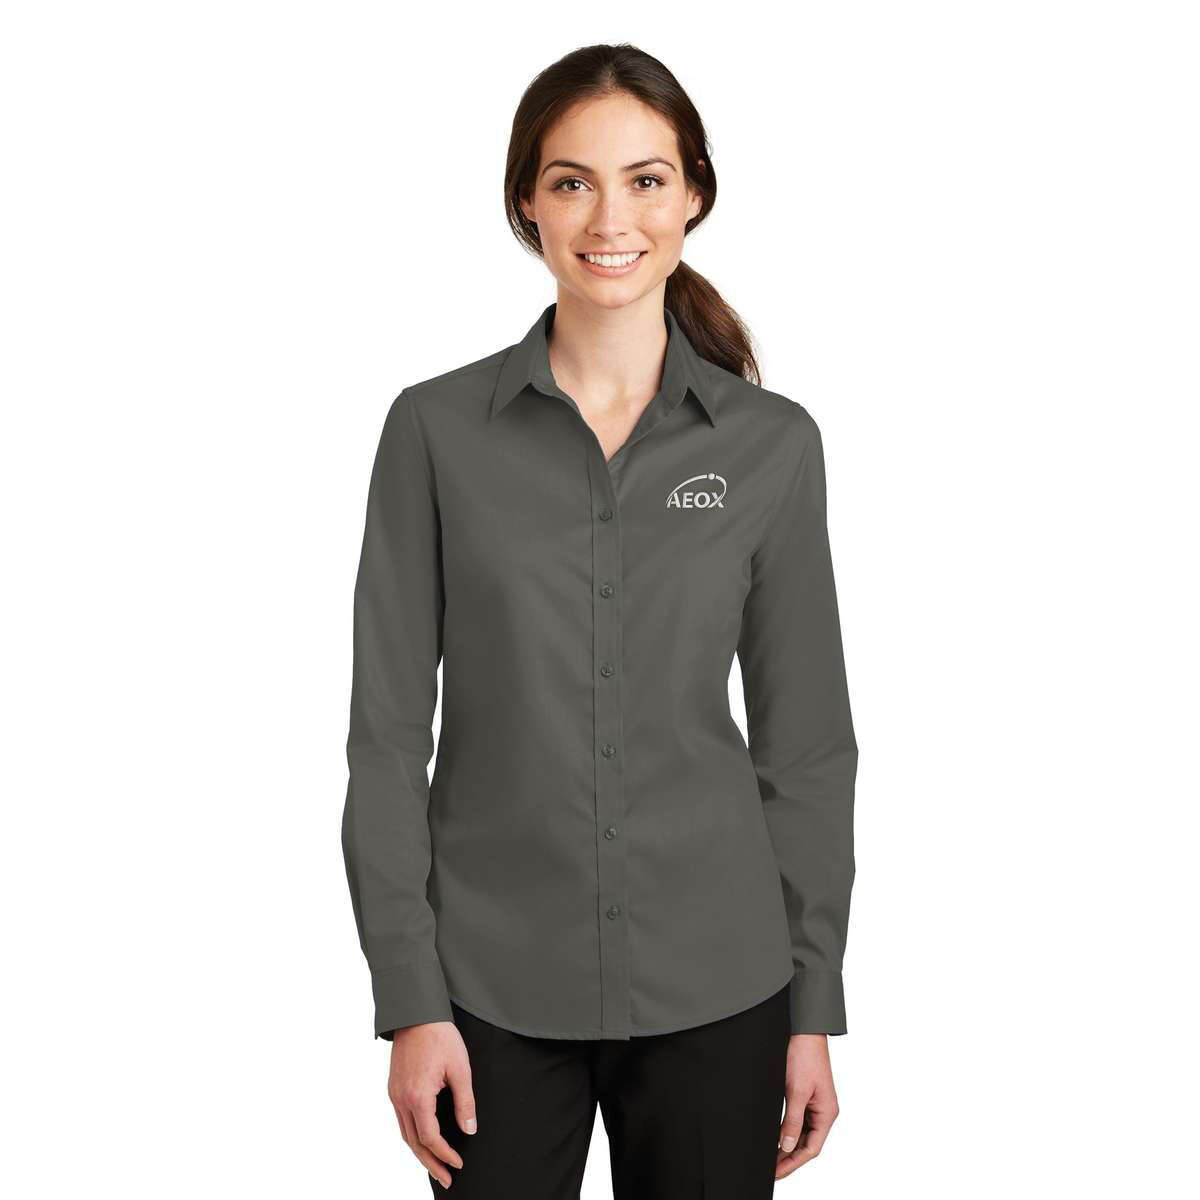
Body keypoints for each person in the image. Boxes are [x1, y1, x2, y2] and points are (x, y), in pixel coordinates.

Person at [341, 42, 858, 1198]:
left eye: (646, 179)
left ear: (695, 195)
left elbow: (808, 747)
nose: (610, 218)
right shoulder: (434, 433)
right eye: (572, 181)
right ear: (526, 201)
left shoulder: (772, 448)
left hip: (722, 984)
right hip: (487, 992)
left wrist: (811, 1003)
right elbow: (385, 741)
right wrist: (410, 998)